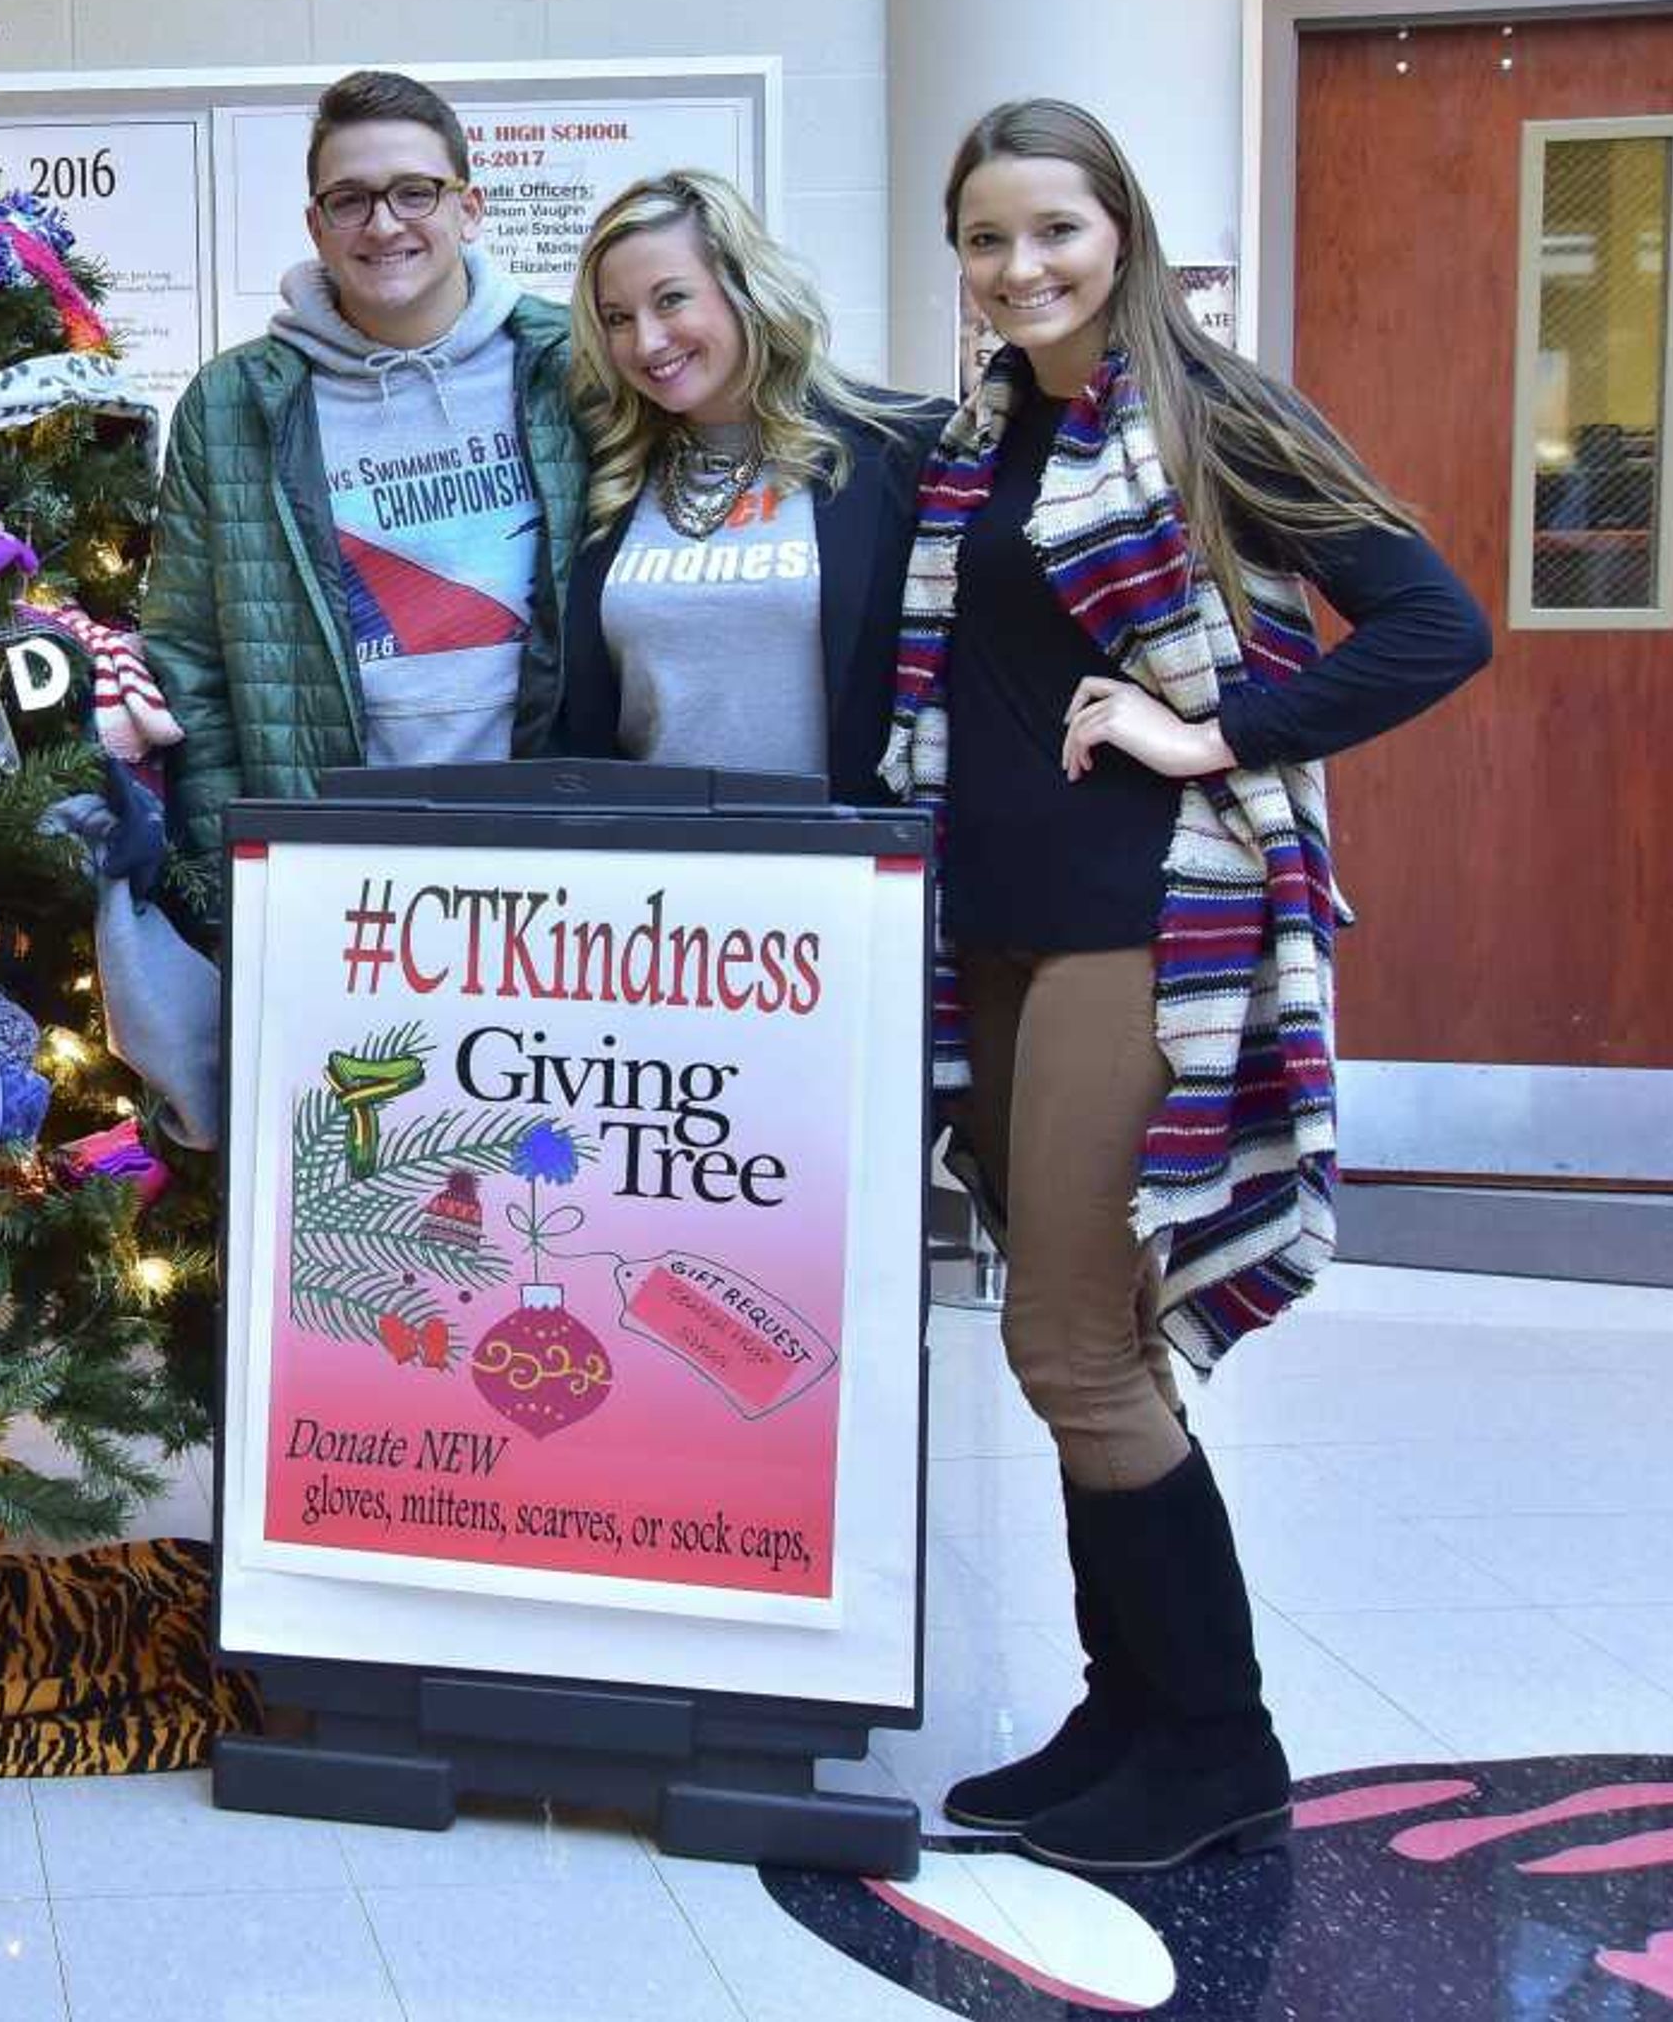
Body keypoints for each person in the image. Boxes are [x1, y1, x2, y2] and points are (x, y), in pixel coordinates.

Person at [890, 97, 1489, 1874]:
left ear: (1121, 230)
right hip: (994, 929)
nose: (1022, 267)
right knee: (1088, 1342)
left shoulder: (1209, 411)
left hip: (1139, 922)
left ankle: (1218, 1743)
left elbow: (1432, 623)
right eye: (988, 238)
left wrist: (1212, 725)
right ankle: (1128, 1712)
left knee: (1070, 1341)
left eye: (1054, 230)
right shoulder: (981, 433)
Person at [142, 68, 587, 932]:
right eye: (350, 200)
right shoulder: (234, 403)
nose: (384, 224)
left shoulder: (572, 366)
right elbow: (185, 659)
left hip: (554, 844)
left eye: (414, 192)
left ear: (469, 207)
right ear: (317, 225)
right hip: (334, 868)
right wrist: (225, 872)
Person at [554, 168, 943, 797]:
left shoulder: (900, 450)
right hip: (651, 873)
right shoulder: (603, 473)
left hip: (842, 866)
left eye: (672, 298)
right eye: (617, 318)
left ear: (744, 290)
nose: (646, 341)